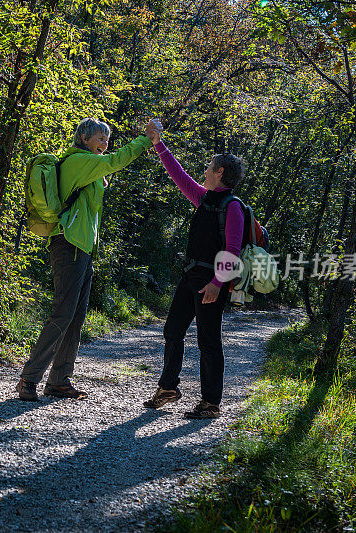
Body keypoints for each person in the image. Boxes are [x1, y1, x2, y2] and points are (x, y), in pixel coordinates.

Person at [16, 118, 153, 401]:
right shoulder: (79, 161)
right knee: (63, 313)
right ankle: (29, 379)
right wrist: (145, 139)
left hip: (81, 248)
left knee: (75, 318)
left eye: (107, 139)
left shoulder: (87, 164)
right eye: (100, 138)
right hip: (69, 245)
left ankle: (59, 380)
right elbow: (118, 160)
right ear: (84, 139)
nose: (105, 143)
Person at [142, 119, 246, 419]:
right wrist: (158, 143)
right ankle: (168, 388)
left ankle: (211, 402)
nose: (204, 171)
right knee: (172, 330)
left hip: (211, 282)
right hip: (190, 277)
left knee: (208, 341)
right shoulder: (203, 198)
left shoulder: (233, 206)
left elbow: (233, 250)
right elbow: (179, 174)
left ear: (220, 172)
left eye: (209, 167)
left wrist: (217, 283)